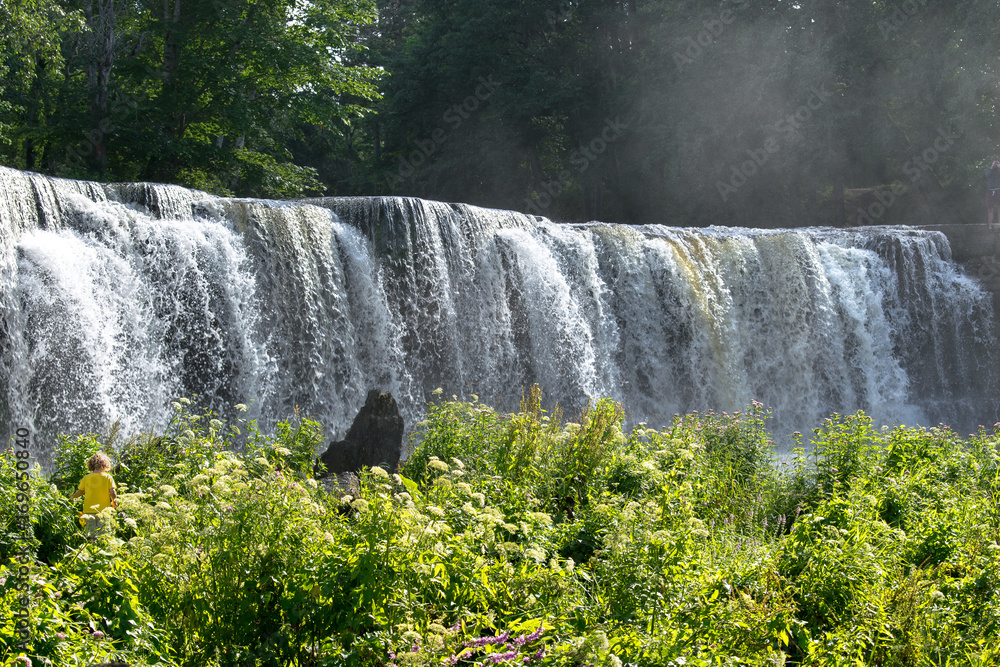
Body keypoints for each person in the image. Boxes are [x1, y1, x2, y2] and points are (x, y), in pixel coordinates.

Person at [70, 451, 117, 538]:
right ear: (105, 465)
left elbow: (80, 492)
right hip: (103, 511)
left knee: (91, 534)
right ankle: (103, 549)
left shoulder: (86, 478)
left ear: (91, 465)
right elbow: (112, 492)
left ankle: (91, 548)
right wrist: (114, 502)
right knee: (104, 534)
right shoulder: (108, 477)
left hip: (89, 510)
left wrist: (72, 497)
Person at [987, 160, 1000, 229]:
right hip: (990, 190)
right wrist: (992, 166)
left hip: (998, 189)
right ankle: (990, 224)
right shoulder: (989, 168)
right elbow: (987, 175)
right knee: (990, 208)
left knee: (999, 208)